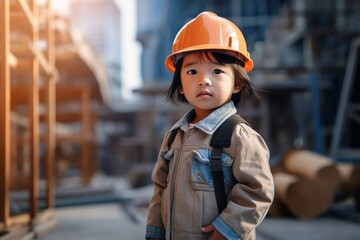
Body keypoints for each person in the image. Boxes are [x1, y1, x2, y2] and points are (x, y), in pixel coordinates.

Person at [145, 11, 274, 240]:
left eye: (217, 71)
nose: (204, 80)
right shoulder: (174, 136)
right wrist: (155, 232)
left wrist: (226, 229)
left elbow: (258, 191)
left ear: (236, 83)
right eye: (192, 71)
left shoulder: (239, 136)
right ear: (181, 85)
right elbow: (159, 190)